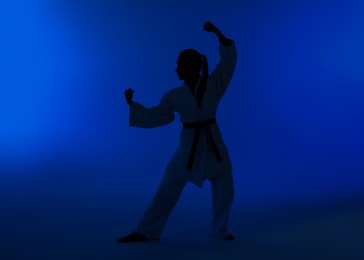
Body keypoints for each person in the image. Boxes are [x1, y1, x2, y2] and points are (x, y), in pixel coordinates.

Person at [117, 21, 237, 243]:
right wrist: (133, 105)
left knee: (225, 190)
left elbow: (228, 61)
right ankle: (146, 230)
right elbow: (159, 115)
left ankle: (220, 231)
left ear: (192, 68)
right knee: (166, 191)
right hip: (188, 147)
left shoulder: (215, 83)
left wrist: (218, 32)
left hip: (213, 144)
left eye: (180, 65)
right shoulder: (174, 95)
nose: (176, 69)